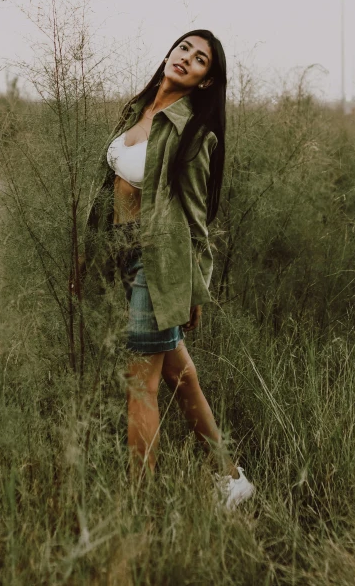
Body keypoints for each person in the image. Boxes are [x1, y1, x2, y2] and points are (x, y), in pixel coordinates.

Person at [84, 30, 255, 510]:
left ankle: (139, 507)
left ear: (205, 81)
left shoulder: (194, 132)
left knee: (142, 383)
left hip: (156, 260)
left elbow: (197, 218)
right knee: (184, 378)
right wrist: (88, 252)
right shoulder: (134, 112)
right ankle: (230, 476)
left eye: (200, 60)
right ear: (169, 52)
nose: (188, 59)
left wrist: (193, 290)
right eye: (185, 48)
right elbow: (106, 186)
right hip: (117, 252)